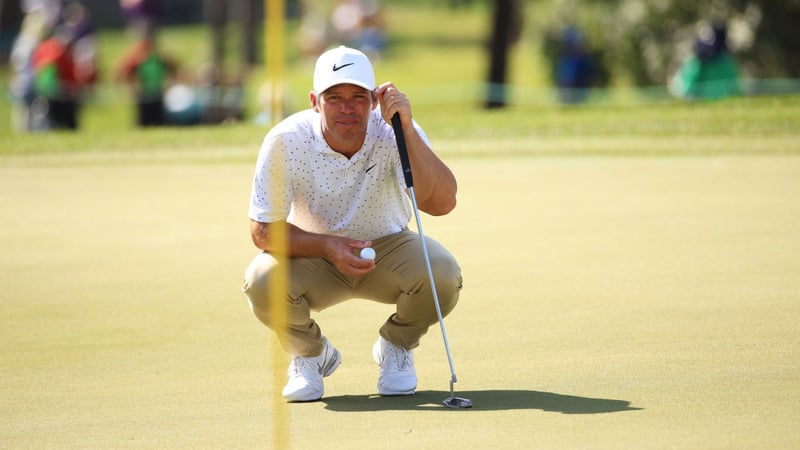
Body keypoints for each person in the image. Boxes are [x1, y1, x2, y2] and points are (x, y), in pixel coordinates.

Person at [242, 46, 463, 402]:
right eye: (335, 97)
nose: (347, 108)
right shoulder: (286, 141)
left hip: (388, 248)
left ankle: (396, 346)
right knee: (261, 281)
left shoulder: (396, 131)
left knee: (443, 274)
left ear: (374, 101)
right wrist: (327, 246)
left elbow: (443, 202)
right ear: (315, 101)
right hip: (314, 255)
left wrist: (406, 129)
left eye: (358, 97)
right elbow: (262, 230)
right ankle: (310, 354)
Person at [669, 21, 741, 100]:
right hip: (700, 96)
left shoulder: (724, 61)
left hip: (704, 96)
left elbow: (680, 88)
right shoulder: (725, 60)